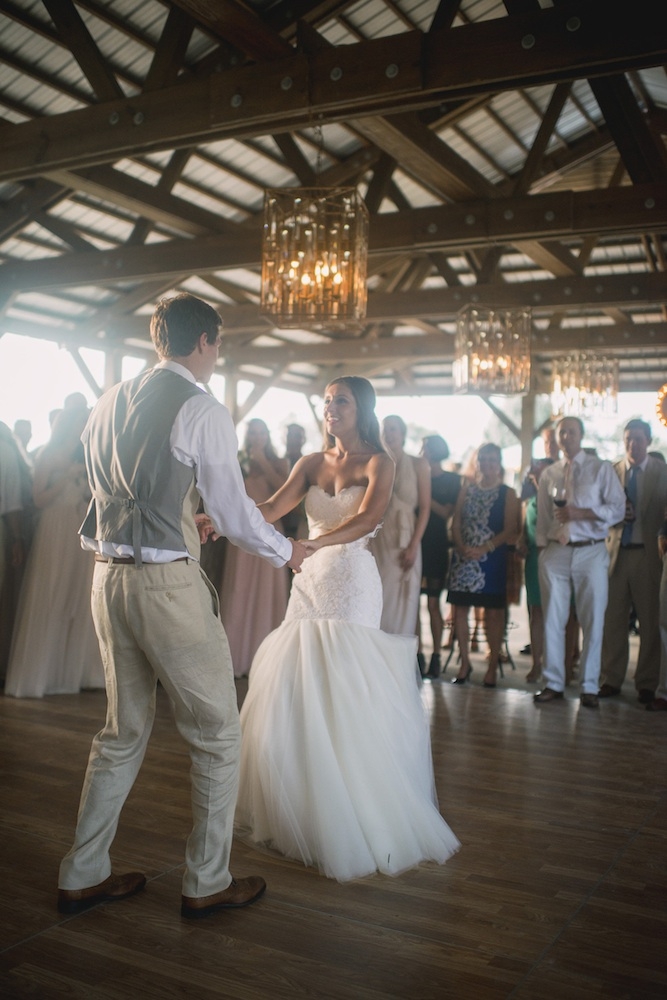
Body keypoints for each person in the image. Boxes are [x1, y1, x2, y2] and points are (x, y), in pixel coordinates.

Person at [57, 292, 306, 920]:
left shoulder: (109, 398)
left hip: (106, 579)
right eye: (217, 346)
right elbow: (232, 511)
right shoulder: (201, 406)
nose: (216, 357)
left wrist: (178, 519)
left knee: (120, 733)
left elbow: (113, 487)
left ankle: (82, 872)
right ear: (205, 342)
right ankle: (205, 880)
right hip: (165, 589)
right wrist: (287, 553)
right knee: (219, 734)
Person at [234, 376, 460, 882]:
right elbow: (271, 509)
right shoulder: (310, 463)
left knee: (345, 685)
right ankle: (305, 803)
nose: (331, 408)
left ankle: (358, 810)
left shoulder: (381, 461)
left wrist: (310, 546)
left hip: (351, 580)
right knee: (302, 681)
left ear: (362, 410)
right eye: (327, 401)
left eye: (342, 401)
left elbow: (366, 520)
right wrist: (223, 518)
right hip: (309, 580)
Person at [5, 407, 104, 698]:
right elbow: (37, 499)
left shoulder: (85, 455)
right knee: (50, 594)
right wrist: (64, 479)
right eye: (79, 422)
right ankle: (38, 677)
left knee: (75, 600)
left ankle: (66, 674)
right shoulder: (48, 454)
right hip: (54, 528)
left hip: (77, 527)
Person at [534, 417, 626, 709]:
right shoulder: (550, 473)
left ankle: (589, 686)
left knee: (593, 619)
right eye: (562, 432)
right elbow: (545, 517)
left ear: (581, 435)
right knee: (552, 619)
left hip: (591, 549)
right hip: (556, 551)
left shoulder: (600, 469)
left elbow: (618, 508)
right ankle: (553, 683)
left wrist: (582, 513)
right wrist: (542, 549)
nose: (567, 436)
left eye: (572, 432)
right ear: (558, 439)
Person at [599, 419, 667, 704]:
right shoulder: (612, 471)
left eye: (638, 439)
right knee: (612, 620)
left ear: (648, 441)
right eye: (628, 439)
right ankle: (610, 679)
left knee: (650, 622)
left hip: (648, 554)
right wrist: (615, 516)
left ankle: (647, 683)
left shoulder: (662, 472)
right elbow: (599, 510)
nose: (632, 444)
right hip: (616, 553)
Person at [219, 418, 290, 677]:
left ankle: (265, 658)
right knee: (240, 589)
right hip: (241, 534)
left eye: (262, 432)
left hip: (269, 532)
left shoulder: (278, 462)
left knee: (265, 594)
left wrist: (263, 462)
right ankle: (236, 657)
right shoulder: (237, 460)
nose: (257, 437)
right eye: (253, 432)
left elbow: (286, 491)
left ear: (268, 436)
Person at [448, 443, 519, 688]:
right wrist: (460, 546)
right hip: (464, 557)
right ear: (477, 462)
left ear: (498, 463)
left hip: (491, 560)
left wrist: (484, 548)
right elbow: (456, 521)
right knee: (459, 610)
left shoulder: (507, 493)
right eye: (483, 459)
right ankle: (465, 662)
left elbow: (511, 528)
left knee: (494, 613)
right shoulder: (466, 489)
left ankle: (491, 666)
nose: (487, 464)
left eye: (492, 459)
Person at [371, 414, 430, 638]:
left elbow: (424, 508)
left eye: (394, 429)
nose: (389, 433)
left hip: (405, 538)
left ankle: (398, 656)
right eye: (385, 429)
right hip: (378, 537)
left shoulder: (418, 464)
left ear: (403, 434)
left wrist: (414, 545)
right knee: (378, 598)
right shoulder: (375, 463)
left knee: (403, 602)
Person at [418, 435, 460, 678]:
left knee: (434, 604)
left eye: (425, 447)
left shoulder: (452, 481)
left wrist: (424, 496)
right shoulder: (414, 477)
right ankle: (417, 654)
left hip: (437, 545)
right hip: (416, 543)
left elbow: (446, 512)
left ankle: (436, 654)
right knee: (413, 604)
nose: (422, 451)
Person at [517, 459, 554, 682]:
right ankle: (537, 664)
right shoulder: (529, 502)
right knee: (536, 614)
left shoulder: (558, 500)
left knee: (560, 615)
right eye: (534, 476)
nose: (537, 479)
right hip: (533, 562)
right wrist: (521, 542)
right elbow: (524, 531)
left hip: (555, 560)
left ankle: (563, 665)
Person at [281, 423, 308, 542]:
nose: (293, 440)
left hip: (301, 523)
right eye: (290, 435)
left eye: (297, 436)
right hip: (277, 524)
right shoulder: (276, 463)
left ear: (303, 439)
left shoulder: (309, 465)